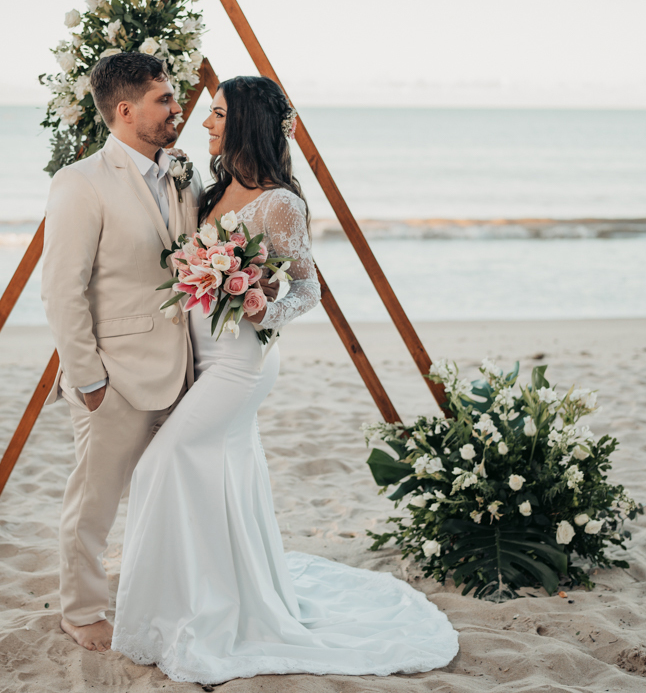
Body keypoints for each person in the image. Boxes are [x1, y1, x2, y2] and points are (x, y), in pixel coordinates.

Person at [111, 76, 459, 684]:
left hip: (240, 363)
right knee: (217, 477)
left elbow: (307, 288)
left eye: (217, 114)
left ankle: (204, 607)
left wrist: (258, 306)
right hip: (199, 356)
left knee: (159, 466)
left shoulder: (280, 204)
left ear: (244, 121)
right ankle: (212, 595)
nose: (206, 123)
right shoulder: (212, 189)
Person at [40, 51, 201, 652]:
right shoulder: (80, 183)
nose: (177, 108)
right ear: (126, 110)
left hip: (185, 368)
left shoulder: (182, 169)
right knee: (94, 502)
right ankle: (81, 610)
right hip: (115, 376)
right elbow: (62, 288)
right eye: (165, 100)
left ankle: (160, 597)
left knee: (169, 498)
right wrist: (86, 377)